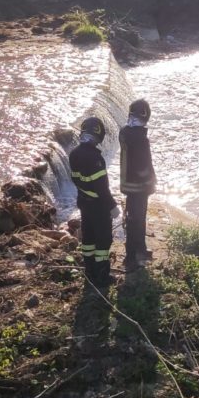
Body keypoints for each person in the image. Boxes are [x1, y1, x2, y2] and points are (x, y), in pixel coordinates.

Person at [70, 116, 120, 287]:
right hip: (99, 207)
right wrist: (113, 206)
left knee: (88, 239)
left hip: (84, 204)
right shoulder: (96, 159)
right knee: (103, 241)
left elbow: (77, 180)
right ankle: (102, 277)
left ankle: (89, 272)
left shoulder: (74, 154)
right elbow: (102, 189)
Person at [119, 99, 156, 271]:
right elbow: (145, 166)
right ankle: (133, 257)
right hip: (139, 187)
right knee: (136, 221)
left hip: (129, 186)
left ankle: (137, 250)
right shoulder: (140, 138)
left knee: (134, 219)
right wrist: (151, 182)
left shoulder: (125, 133)